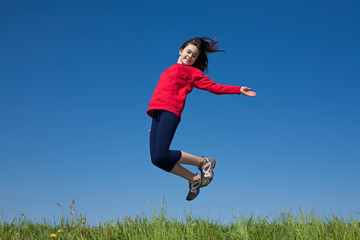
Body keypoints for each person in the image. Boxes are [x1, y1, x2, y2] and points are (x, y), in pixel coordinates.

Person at [147, 36, 257, 201]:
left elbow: (214, 87)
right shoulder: (167, 70)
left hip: (171, 111)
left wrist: (238, 89)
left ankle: (203, 162)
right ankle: (194, 180)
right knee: (156, 159)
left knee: (162, 154)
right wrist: (156, 123)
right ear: (181, 50)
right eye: (188, 52)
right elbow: (160, 95)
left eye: (194, 56)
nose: (190, 56)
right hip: (158, 115)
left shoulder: (192, 72)